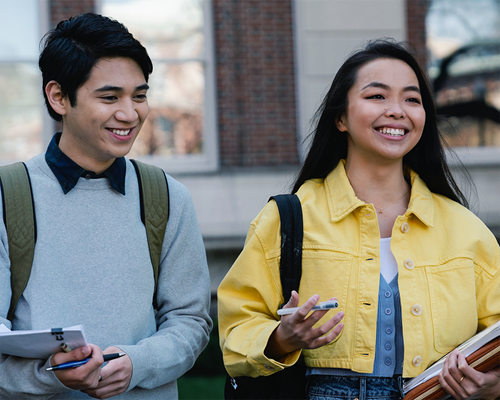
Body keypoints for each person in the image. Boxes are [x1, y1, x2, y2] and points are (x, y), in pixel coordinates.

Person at [218, 39, 500, 400]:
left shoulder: (466, 230)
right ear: (340, 118)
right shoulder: (288, 218)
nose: (397, 110)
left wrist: (492, 388)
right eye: (377, 96)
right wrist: (282, 339)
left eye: (412, 99)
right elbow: (236, 331)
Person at [0, 13, 212, 400]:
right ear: (58, 97)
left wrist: (137, 363)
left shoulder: (167, 196)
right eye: (110, 97)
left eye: (140, 95)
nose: (130, 114)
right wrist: (53, 374)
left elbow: (191, 322)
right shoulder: (6, 196)